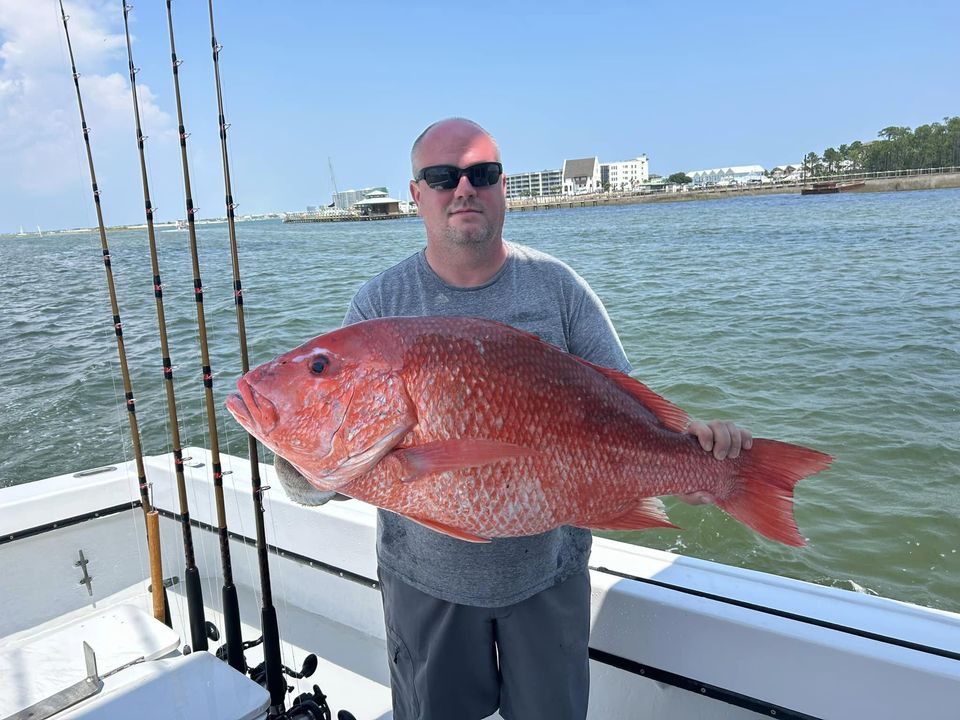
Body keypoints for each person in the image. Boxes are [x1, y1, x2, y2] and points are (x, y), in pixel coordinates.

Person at [274, 117, 752, 720]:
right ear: (417, 195)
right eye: (443, 177)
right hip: (426, 584)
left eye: (483, 174)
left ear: (505, 189)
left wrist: (694, 464)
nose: (463, 189)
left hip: (549, 578)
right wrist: (300, 462)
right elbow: (333, 473)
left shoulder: (560, 290)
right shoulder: (380, 307)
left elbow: (629, 418)